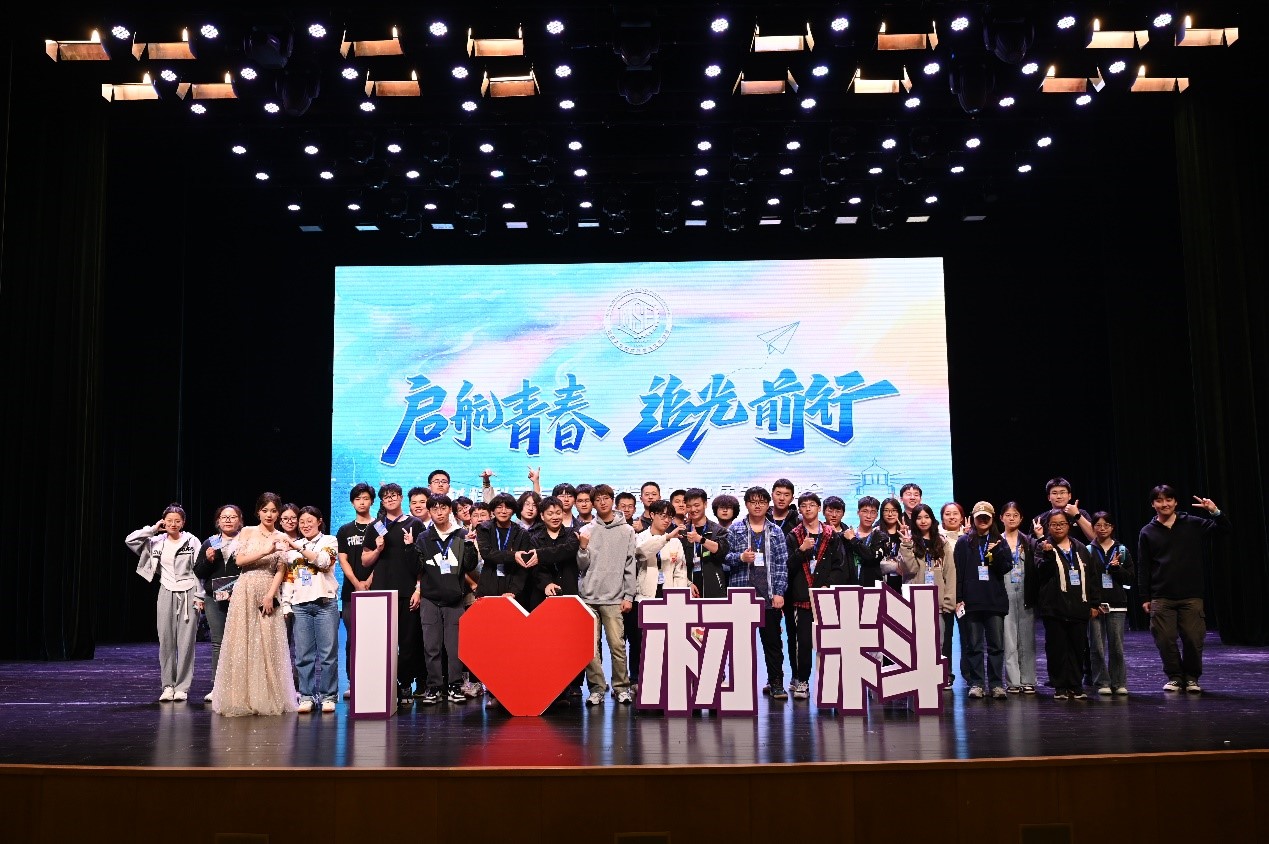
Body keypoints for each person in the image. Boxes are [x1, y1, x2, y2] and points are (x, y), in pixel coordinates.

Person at [212, 492, 298, 716]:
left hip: (268, 588)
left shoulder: (281, 536)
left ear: (278, 514)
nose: (269, 515)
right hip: (246, 588)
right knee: (243, 642)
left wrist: (270, 595)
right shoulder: (248, 531)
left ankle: (267, 696)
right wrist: (266, 550)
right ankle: (242, 697)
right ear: (258, 512)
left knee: (268, 643)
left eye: (274, 511)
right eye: (265, 510)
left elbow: (280, 569)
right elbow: (240, 561)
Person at [1137, 485, 1229, 693]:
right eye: (1159, 500)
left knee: (1193, 638)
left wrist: (1214, 511)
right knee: (1164, 639)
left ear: (1175, 502)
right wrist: (1144, 596)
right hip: (1161, 595)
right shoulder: (1147, 531)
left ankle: (1192, 677)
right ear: (1153, 504)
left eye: (1169, 499)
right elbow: (1144, 566)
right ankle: (1175, 677)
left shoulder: (1192, 523)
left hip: (1191, 594)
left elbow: (1224, 530)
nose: (1165, 504)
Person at [125, 503, 203, 703]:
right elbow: (130, 540)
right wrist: (152, 529)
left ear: (183, 523)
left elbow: (199, 569)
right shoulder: (156, 541)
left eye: (177, 521)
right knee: (166, 641)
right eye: (169, 521)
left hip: (189, 591)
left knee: (186, 643)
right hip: (166, 590)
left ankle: (182, 687)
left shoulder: (191, 541)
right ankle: (168, 686)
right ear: (163, 522)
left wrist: (200, 595)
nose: (173, 524)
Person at [359, 482, 426, 708]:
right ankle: (387, 686)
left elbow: (422, 562)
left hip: (407, 591)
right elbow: (364, 561)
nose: (390, 499)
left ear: (401, 498)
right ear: (382, 501)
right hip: (381, 593)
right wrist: (378, 549)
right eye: (386, 496)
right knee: (383, 644)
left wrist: (418, 588)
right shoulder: (376, 526)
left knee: (407, 643)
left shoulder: (414, 524)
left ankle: (406, 683)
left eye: (394, 495)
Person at [785, 492, 852, 699]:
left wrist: (827, 585)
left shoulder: (832, 535)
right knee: (803, 642)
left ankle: (832, 683)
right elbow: (787, 567)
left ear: (819, 508)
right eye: (804, 505)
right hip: (802, 597)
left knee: (830, 641)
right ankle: (802, 681)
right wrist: (801, 550)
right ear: (799, 509)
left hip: (826, 596)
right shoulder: (793, 535)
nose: (808, 509)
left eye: (812, 505)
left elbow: (840, 566)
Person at [414, 494, 479, 705]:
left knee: (454, 647)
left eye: (443, 508)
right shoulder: (424, 537)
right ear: (430, 512)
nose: (439, 512)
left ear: (450, 510)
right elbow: (416, 568)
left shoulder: (462, 534)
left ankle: (454, 685)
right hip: (430, 598)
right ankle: (434, 686)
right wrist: (409, 548)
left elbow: (469, 565)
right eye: (434, 509)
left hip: (454, 599)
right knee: (431, 646)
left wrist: (469, 545)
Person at [725, 486, 789, 700]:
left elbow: (782, 564)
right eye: (753, 501)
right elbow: (725, 560)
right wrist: (740, 558)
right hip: (741, 596)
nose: (758, 505)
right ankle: (740, 684)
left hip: (768, 596)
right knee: (740, 643)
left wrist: (779, 592)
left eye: (762, 501)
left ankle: (776, 683)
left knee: (773, 643)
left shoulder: (776, 531)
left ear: (768, 504)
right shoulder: (735, 529)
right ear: (746, 504)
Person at [577, 484, 638, 705]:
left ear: (612, 500)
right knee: (590, 649)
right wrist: (582, 548)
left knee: (617, 646)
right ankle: (597, 689)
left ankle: (621, 687)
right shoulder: (587, 529)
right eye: (598, 499)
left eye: (606, 498)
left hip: (615, 598)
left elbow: (630, 565)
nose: (602, 502)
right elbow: (581, 565)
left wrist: (628, 596)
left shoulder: (627, 530)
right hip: (589, 598)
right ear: (593, 503)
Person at [1033, 509, 1103, 701]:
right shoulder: (1042, 546)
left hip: (1078, 606)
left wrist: (1094, 603)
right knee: (1056, 648)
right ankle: (1060, 685)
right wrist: (1048, 556)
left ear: (1069, 525)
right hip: (1054, 607)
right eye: (1054, 524)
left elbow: (1092, 577)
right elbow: (1040, 574)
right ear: (1048, 527)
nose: (1058, 528)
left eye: (1062, 524)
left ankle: (1075, 685)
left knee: (1077, 647)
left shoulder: (1080, 548)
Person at [629, 499, 691, 688]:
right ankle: (636, 679)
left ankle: (666, 678)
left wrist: (679, 598)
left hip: (668, 596)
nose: (666, 520)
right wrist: (666, 538)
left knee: (668, 640)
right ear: (652, 515)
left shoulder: (676, 543)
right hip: (644, 596)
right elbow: (641, 553)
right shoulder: (640, 537)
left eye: (669, 517)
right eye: (663, 516)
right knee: (640, 640)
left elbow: (680, 572)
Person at [953, 502, 1012, 700]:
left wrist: (996, 553)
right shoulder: (963, 542)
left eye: (987, 517)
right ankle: (976, 683)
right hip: (971, 602)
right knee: (974, 646)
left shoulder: (999, 541)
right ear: (973, 518)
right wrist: (959, 598)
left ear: (992, 518)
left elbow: (1005, 568)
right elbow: (958, 572)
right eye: (980, 517)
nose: (983, 520)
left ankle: (996, 684)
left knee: (996, 646)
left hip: (994, 601)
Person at [289, 506, 340, 714]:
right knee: (303, 655)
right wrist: (287, 603)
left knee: (328, 654)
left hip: (325, 603)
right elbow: (290, 577)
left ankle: (329, 696)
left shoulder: (329, 541)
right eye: (301, 522)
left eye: (310, 521)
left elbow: (324, 562)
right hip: (300, 605)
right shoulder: (293, 546)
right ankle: (307, 695)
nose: (305, 525)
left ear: (319, 521)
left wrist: (299, 548)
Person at [899, 503, 954, 686]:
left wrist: (949, 600)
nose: (923, 521)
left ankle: (936, 677)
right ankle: (920, 678)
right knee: (917, 643)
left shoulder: (942, 542)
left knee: (938, 643)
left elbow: (950, 573)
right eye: (919, 518)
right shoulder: (910, 542)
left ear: (932, 519)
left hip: (938, 602)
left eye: (926, 517)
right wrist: (906, 546)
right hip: (916, 602)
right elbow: (910, 569)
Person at [193, 504, 243, 703]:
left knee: (241, 641)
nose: (228, 520)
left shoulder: (245, 541)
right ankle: (218, 686)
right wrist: (208, 560)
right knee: (218, 642)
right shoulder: (210, 542)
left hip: (240, 596)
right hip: (214, 598)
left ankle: (240, 686)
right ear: (218, 521)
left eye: (233, 517)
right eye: (224, 517)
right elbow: (198, 572)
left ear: (240, 521)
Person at [1088, 511, 1135, 696]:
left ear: (1112, 527)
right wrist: (1092, 603)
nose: (1102, 529)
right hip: (1095, 605)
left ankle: (1119, 682)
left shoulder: (1121, 550)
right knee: (1097, 647)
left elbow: (1130, 578)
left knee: (1117, 646)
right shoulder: (1088, 550)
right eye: (1098, 525)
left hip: (1117, 603)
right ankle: (1102, 682)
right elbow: (1086, 580)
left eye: (1106, 525)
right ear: (1093, 527)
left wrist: (1117, 569)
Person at [336, 483, 376, 700]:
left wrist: (368, 581)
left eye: (366, 498)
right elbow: (343, 560)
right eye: (358, 499)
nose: (362, 502)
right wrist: (356, 582)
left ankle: (377, 680)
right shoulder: (345, 530)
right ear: (352, 502)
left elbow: (384, 558)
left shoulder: (380, 526)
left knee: (377, 637)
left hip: (377, 590)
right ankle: (353, 681)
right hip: (350, 592)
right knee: (353, 638)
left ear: (372, 501)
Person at [999, 503, 1038, 695]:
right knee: (1008, 638)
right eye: (1008, 515)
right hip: (1004, 592)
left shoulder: (1029, 542)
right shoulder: (996, 541)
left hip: (1025, 592)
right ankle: (1013, 681)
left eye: (1015, 515)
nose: (1012, 518)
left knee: (1027, 638)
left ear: (1021, 518)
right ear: (1001, 518)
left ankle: (1028, 679)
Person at [682, 487, 729, 598]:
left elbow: (721, 551)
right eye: (689, 506)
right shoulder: (682, 532)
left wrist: (700, 539)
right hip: (688, 587)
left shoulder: (718, 530)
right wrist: (687, 583)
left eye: (696, 505)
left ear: (705, 504)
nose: (693, 509)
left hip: (713, 587)